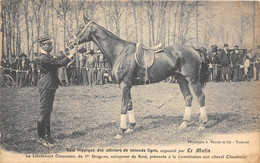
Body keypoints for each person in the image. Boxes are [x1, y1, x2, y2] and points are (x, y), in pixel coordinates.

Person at [36, 36, 76, 146]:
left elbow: (58, 58)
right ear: (42, 45)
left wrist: (70, 49)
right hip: (46, 85)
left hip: (50, 85)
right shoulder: (43, 58)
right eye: (48, 44)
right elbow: (59, 63)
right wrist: (71, 54)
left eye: (50, 44)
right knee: (44, 111)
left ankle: (48, 137)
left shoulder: (47, 56)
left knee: (48, 111)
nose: (51, 46)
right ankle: (41, 138)